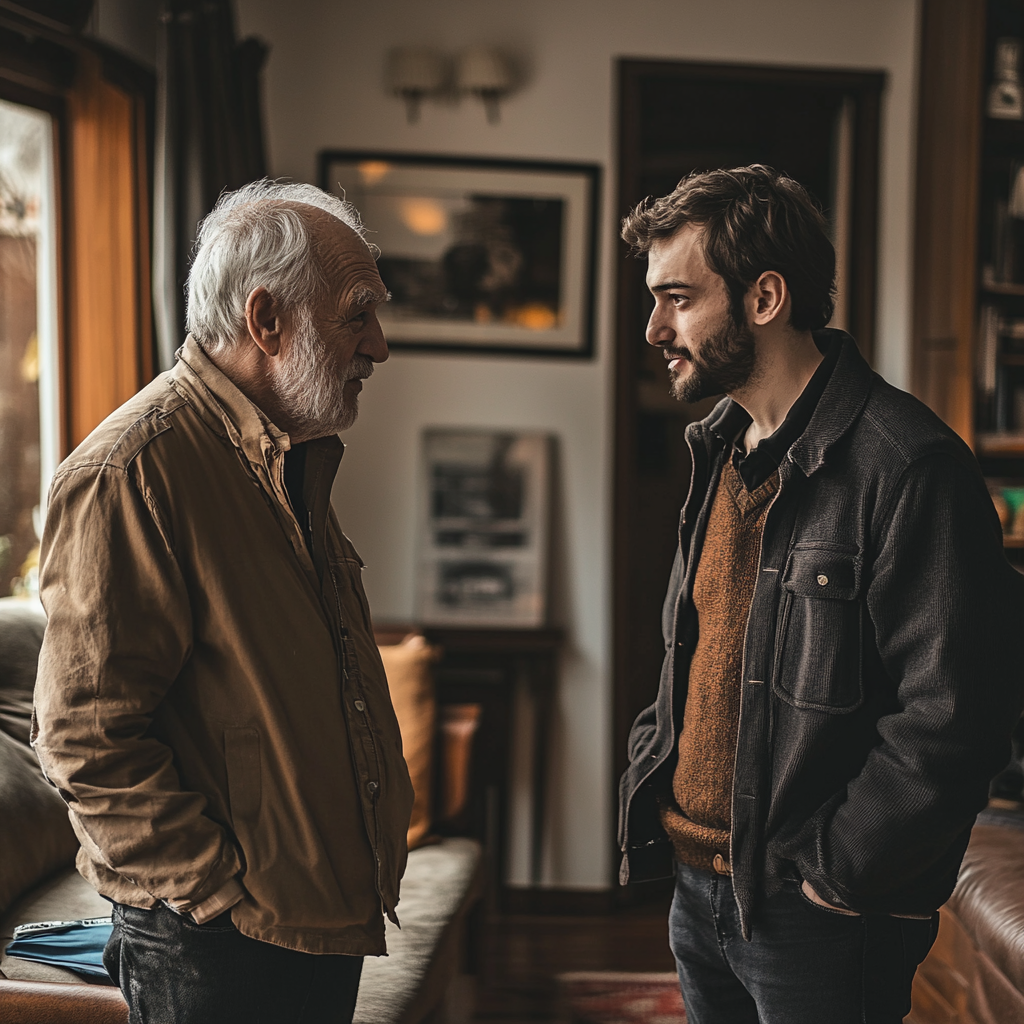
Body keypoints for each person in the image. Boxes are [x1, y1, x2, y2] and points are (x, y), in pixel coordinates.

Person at [617, 165, 1024, 1024]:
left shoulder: (910, 466)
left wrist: (837, 875)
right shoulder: (720, 452)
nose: (654, 326)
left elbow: (957, 716)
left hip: (820, 916)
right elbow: (693, 652)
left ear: (765, 296)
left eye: (678, 298)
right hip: (700, 890)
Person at [31, 180, 414, 1024]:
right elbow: (85, 739)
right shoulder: (134, 470)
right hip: (224, 939)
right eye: (357, 314)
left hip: (312, 918)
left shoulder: (285, 453)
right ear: (266, 320)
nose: (379, 345)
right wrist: (214, 891)